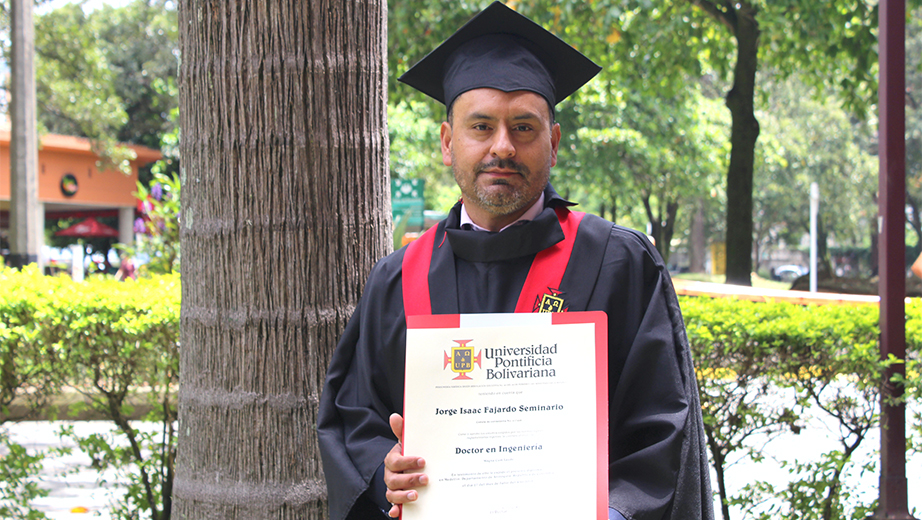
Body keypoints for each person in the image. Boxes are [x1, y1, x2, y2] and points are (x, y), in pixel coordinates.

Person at [317, 3, 714, 520]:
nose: (501, 146)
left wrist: (614, 513)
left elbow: (663, 429)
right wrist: (383, 470)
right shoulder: (396, 280)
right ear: (447, 142)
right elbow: (355, 417)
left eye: (523, 128)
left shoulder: (617, 263)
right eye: (481, 126)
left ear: (552, 144)